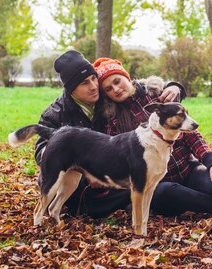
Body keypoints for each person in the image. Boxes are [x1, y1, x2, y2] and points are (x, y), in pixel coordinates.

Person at [93, 57, 212, 217]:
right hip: (158, 184)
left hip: (186, 170)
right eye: (108, 88)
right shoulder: (112, 120)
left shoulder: (158, 96)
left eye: (117, 81)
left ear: (126, 77)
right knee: (166, 193)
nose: (115, 89)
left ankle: (196, 202)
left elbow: (191, 136)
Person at [34, 50, 183, 218]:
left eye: (93, 79)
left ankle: (129, 202)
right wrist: (85, 170)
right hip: (76, 175)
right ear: (71, 89)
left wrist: (174, 86)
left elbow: (135, 87)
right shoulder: (55, 113)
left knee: (149, 187)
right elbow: (42, 151)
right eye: (84, 83)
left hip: (112, 170)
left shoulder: (107, 99)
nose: (92, 86)